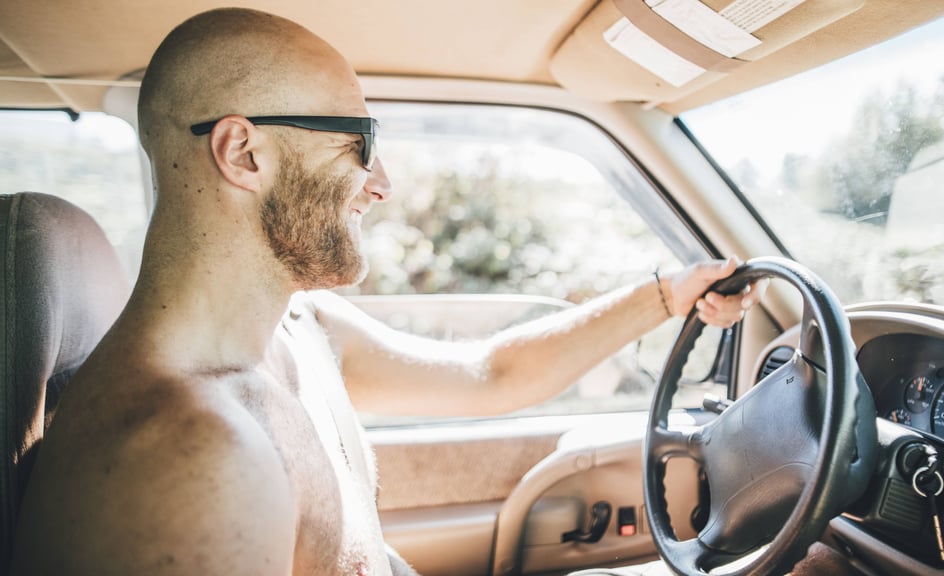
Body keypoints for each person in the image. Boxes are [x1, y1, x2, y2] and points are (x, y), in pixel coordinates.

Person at [11, 8, 762, 576]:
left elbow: (491, 373)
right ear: (243, 153)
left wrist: (666, 295)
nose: (383, 183)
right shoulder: (190, 461)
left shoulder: (300, 326)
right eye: (360, 141)